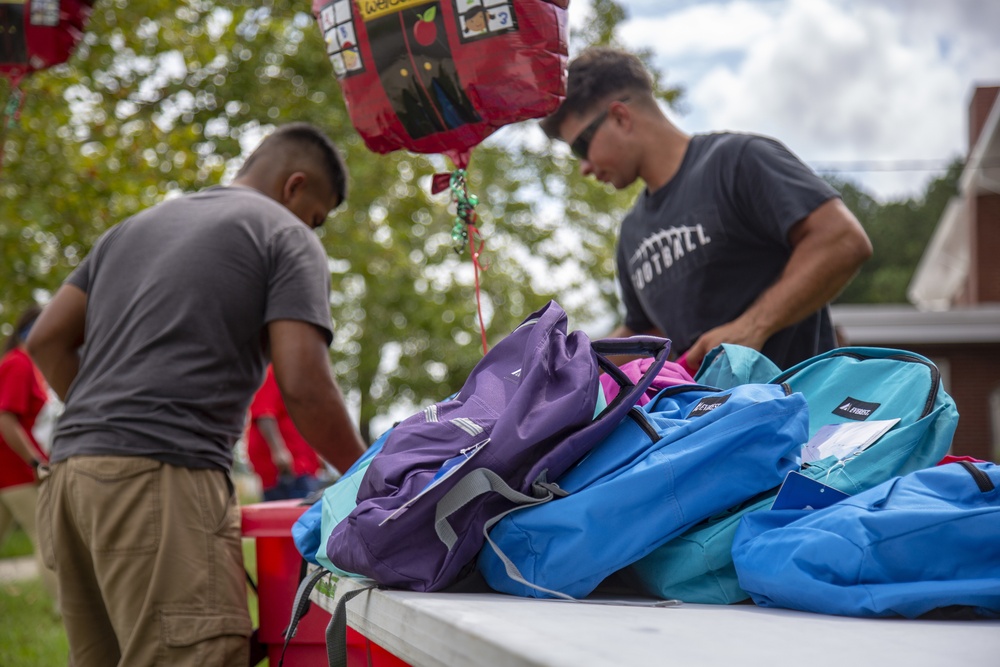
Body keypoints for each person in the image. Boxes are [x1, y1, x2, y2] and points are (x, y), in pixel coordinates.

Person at [27, 122, 368, 667]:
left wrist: (109, 424)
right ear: (295, 187)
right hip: (159, 479)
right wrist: (373, 478)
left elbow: (46, 339)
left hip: (68, 481)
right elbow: (304, 385)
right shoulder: (284, 233)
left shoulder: (132, 230)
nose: (313, 230)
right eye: (317, 218)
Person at [540, 48, 873, 371]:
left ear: (620, 117)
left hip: (803, 412)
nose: (583, 167)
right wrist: (567, 369)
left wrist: (752, 327)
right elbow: (650, 334)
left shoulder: (737, 161)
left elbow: (841, 239)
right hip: (707, 423)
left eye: (581, 147)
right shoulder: (632, 233)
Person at [0, 305, 59, 606]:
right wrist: (36, 462)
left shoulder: (27, 366)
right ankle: (64, 611)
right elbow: (6, 419)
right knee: (46, 537)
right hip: (15, 471)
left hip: (12, 471)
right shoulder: (19, 364)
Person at [247, 363, 325, 501]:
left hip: (302, 469)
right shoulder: (272, 374)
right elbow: (265, 415)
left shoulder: (296, 379)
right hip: (285, 471)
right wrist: (279, 451)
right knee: (289, 517)